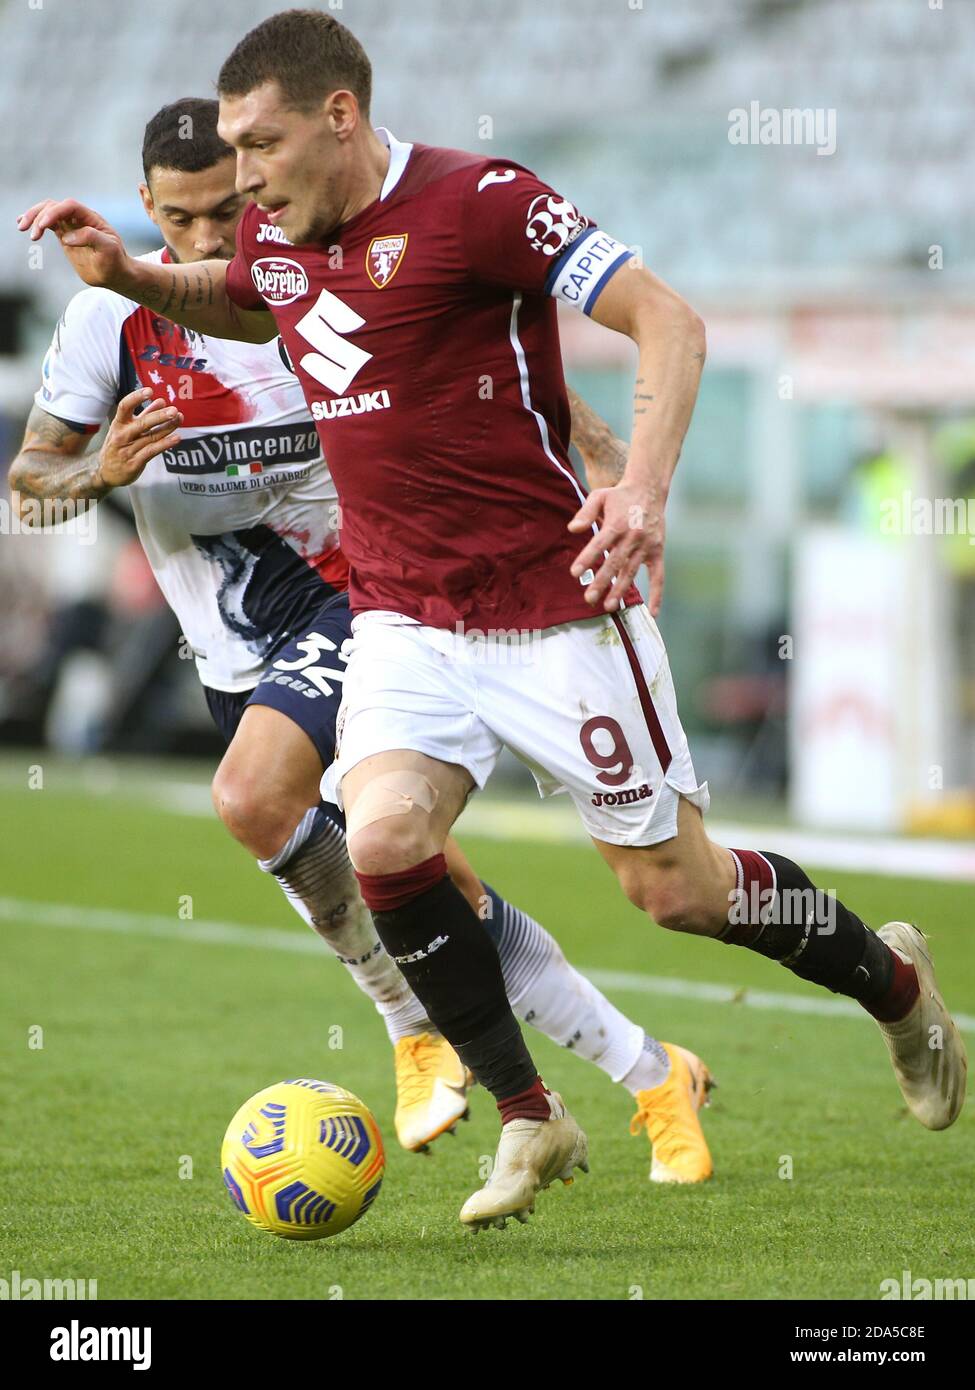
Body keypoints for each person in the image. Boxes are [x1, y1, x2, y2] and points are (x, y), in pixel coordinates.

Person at [20, 10, 965, 1234]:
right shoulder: (275, 231)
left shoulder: (481, 203)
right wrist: (136, 277)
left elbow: (667, 321)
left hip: (549, 608)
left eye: (260, 142)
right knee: (384, 839)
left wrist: (642, 489)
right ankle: (531, 1111)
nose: (240, 174)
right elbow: (255, 299)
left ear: (339, 117)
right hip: (405, 618)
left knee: (674, 890)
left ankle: (895, 986)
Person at [10, 98, 716, 1188]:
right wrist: (92, 475)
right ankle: (650, 1069)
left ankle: (407, 1025)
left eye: (227, 212)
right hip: (232, 654)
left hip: (364, 603)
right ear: (145, 209)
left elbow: (474, 364)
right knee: (442, 890)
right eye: (183, 220)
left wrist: (590, 440)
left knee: (252, 797)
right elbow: (30, 493)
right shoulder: (109, 322)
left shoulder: (294, 289)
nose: (211, 241)